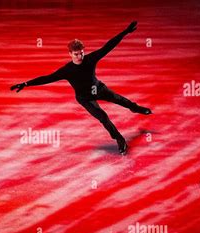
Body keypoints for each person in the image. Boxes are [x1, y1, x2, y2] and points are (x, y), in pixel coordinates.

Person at [10, 21, 152, 155]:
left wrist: (125, 32)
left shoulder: (90, 59)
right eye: (76, 54)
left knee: (121, 100)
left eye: (81, 53)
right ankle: (120, 139)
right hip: (85, 98)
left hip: (98, 89)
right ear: (70, 54)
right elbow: (47, 78)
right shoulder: (67, 70)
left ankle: (136, 108)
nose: (79, 56)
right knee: (103, 117)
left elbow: (108, 46)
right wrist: (26, 83)